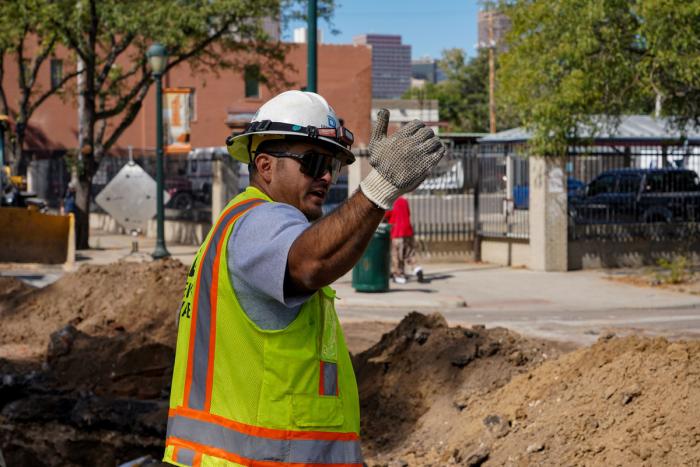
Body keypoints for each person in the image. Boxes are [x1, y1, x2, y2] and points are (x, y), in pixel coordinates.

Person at [163, 90, 445, 466]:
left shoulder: (237, 226)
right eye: (312, 162)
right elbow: (309, 263)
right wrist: (381, 186)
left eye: (332, 165)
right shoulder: (257, 221)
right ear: (265, 166)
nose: (326, 176)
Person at [385, 195, 424, 284]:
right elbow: (408, 213)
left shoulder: (390, 201)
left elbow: (386, 215)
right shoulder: (404, 200)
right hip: (408, 231)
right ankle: (417, 269)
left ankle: (398, 276)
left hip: (397, 232)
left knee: (397, 256)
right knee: (409, 253)